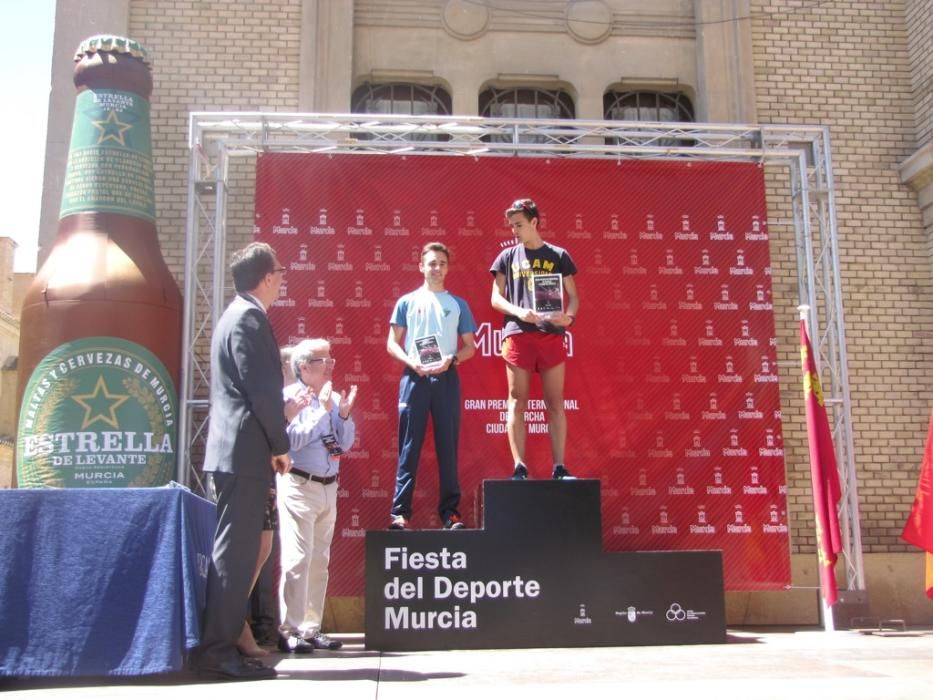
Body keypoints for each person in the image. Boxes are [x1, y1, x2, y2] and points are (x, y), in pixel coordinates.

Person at [196, 242, 291, 681]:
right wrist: (281, 445)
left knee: (237, 554)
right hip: (244, 454)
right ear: (266, 278)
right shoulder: (248, 319)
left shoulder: (236, 316)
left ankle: (227, 644)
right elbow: (263, 392)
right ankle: (218, 652)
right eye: (280, 272)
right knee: (234, 558)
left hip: (238, 454)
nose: (283, 279)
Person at [387, 242, 477, 530]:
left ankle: (450, 513)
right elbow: (391, 343)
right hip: (415, 378)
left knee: (447, 447)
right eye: (431, 263)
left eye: (441, 263)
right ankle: (400, 514)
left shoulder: (458, 304)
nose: (437, 268)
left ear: (447, 268)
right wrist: (411, 362)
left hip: (446, 378)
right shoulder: (407, 302)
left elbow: (469, 348)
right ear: (421, 266)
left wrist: (450, 360)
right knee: (409, 447)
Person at [277, 338, 358, 653]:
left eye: (331, 360)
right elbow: (292, 440)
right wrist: (321, 411)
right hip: (299, 484)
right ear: (303, 367)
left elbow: (344, 444)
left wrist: (345, 415)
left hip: (329, 485)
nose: (330, 366)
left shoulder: (334, 398)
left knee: (320, 561)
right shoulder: (289, 398)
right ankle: (290, 629)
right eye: (323, 361)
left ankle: (310, 628)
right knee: (298, 559)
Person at [490, 198, 580, 480]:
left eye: (518, 225)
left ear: (534, 222)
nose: (514, 231)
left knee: (555, 402)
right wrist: (519, 311)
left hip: (551, 336)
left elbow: (574, 297)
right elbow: (495, 298)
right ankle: (519, 467)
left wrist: (569, 317)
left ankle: (559, 467)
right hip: (518, 335)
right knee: (517, 400)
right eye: (511, 226)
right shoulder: (506, 257)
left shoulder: (558, 255)